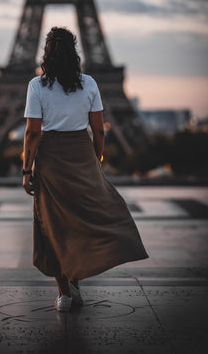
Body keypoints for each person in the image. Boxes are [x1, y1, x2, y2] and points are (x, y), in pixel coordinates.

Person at [22, 26, 149, 313]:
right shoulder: (89, 84)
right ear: (75, 52)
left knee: (52, 224)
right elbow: (99, 131)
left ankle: (64, 293)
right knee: (80, 221)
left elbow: (32, 133)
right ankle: (76, 282)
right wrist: (96, 160)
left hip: (50, 158)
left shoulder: (36, 85)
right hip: (82, 154)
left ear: (46, 53)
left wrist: (26, 170)